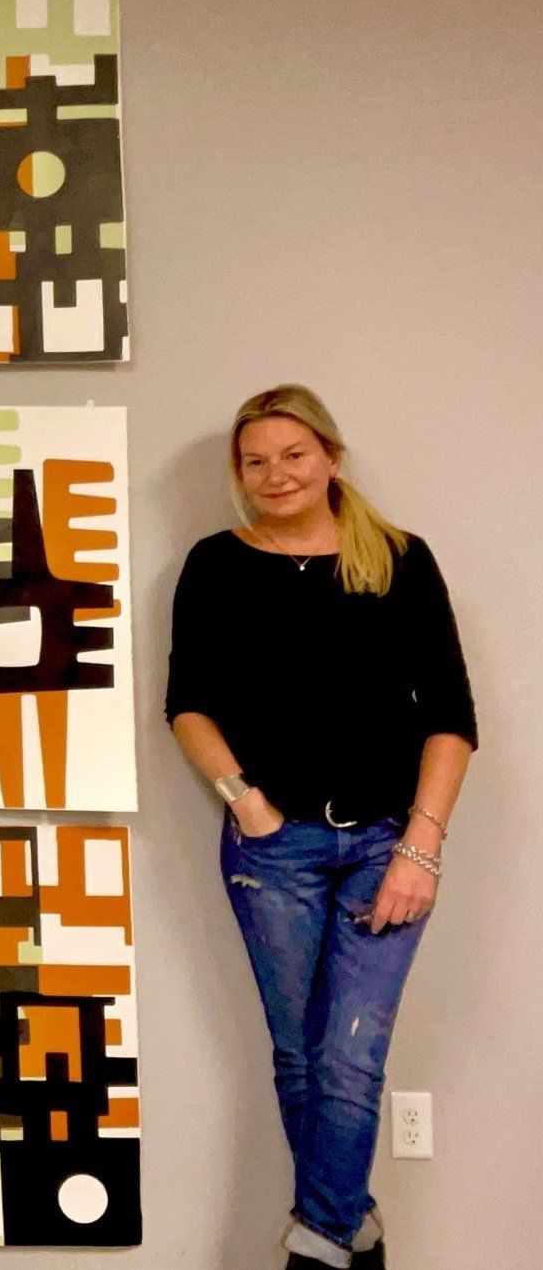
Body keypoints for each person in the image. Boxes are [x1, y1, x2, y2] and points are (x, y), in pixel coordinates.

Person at [165, 385, 476, 1269]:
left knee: (348, 1058)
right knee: (299, 1056)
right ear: (240, 474)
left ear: (331, 458)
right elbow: (187, 705)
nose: (276, 475)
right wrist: (245, 801)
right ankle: (353, 1232)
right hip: (273, 850)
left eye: (294, 455)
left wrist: (421, 847)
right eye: (255, 461)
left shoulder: (400, 560)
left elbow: (450, 717)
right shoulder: (215, 565)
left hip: (386, 844)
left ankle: (318, 1246)